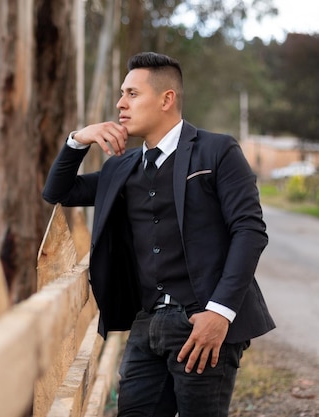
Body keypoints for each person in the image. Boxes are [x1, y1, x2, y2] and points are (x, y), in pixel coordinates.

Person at [42, 52, 275, 417]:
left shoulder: (217, 151)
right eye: (121, 93)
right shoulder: (122, 167)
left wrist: (220, 313)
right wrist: (78, 139)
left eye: (132, 94)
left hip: (204, 322)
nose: (120, 103)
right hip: (147, 323)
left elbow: (249, 231)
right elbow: (59, 192)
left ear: (167, 99)